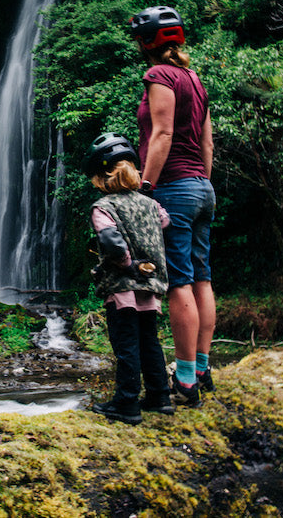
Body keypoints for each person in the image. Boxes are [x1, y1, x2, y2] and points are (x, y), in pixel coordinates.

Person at [129, 5, 216, 408]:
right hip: (201, 186)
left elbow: (162, 134)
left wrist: (146, 188)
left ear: (147, 42)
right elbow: (207, 144)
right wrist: (203, 183)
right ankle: (201, 368)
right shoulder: (194, 80)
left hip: (175, 188)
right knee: (201, 276)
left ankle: (183, 380)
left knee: (179, 282)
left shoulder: (158, 76)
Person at [85, 132, 174, 424]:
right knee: (149, 340)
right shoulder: (150, 204)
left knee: (126, 345)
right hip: (149, 287)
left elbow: (111, 242)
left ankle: (126, 403)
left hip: (123, 287)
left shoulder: (103, 207)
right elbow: (165, 222)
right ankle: (160, 396)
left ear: (102, 177)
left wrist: (127, 264)